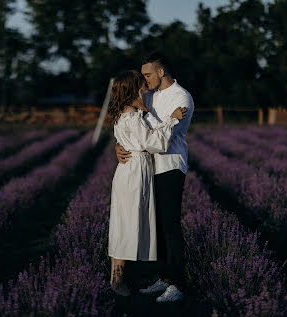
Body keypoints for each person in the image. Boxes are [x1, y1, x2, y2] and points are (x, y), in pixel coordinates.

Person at [116, 52, 194, 302]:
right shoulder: (148, 94)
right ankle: (165, 277)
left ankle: (178, 284)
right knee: (157, 226)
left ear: (161, 72)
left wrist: (145, 137)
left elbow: (164, 139)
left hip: (170, 165)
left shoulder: (181, 97)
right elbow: (131, 126)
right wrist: (118, 144)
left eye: (148, 74)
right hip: (149, 168)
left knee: (170, 225)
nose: (145, 79)